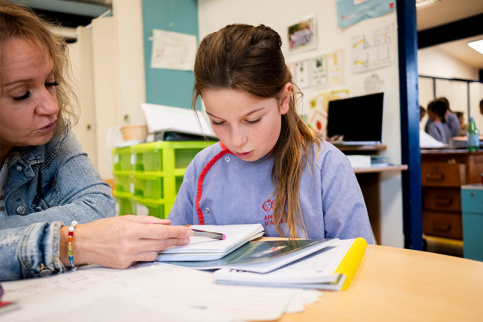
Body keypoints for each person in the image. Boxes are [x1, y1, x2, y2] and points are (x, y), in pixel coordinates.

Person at [0, 1, 192, 281]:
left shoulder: (52, 133)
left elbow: (98, 206)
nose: (51, 107)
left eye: (51, 83)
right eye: (21, 94)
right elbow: (85, 230)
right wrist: (69, 243)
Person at [168, 24, 373, 242]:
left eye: (252, 120)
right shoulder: (202, 168)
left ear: (284, 100)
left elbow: (363, 258)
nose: (236, 141)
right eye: (218, 122)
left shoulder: (326, 167)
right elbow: (173, 251)